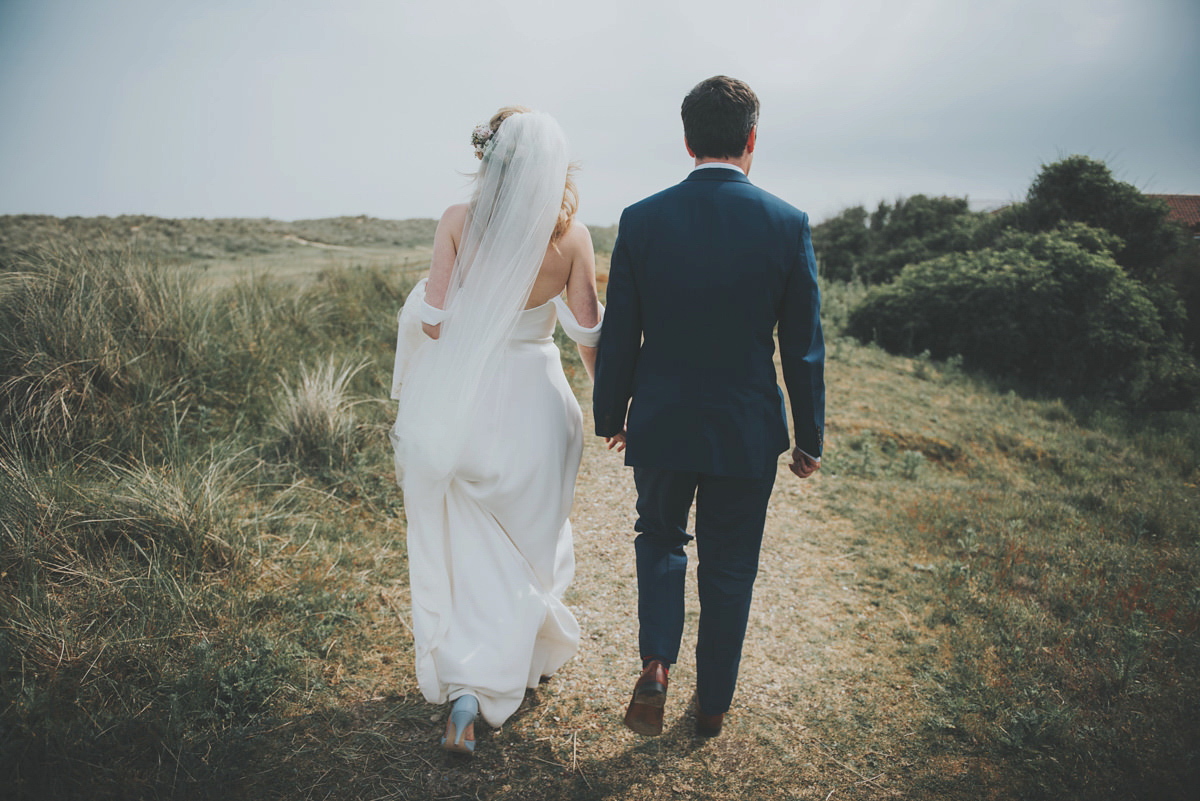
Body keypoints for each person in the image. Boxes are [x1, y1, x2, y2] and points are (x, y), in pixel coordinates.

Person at [593, 76, 824, 738]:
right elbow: (803, 348)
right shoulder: (787, 224)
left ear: (687, 140)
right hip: (745, 431)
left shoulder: (642, 219)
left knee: (660, 536)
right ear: (752, 139)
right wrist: (808, 437)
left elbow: (621, 333)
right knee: (730, 566)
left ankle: (657, 664)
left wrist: (613, 416)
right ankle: (713, 705)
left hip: (663, 418)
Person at [390, 107, 602, 754]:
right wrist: (617, 408)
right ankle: (506, 670)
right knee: (531, 547)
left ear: (492, 161)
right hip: (539, 412)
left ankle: (465, 692)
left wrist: (421, 306)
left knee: (470, 547)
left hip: (468, 407)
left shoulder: (458, 222)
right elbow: (590, 336)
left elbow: (434, 324)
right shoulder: (572, 240)